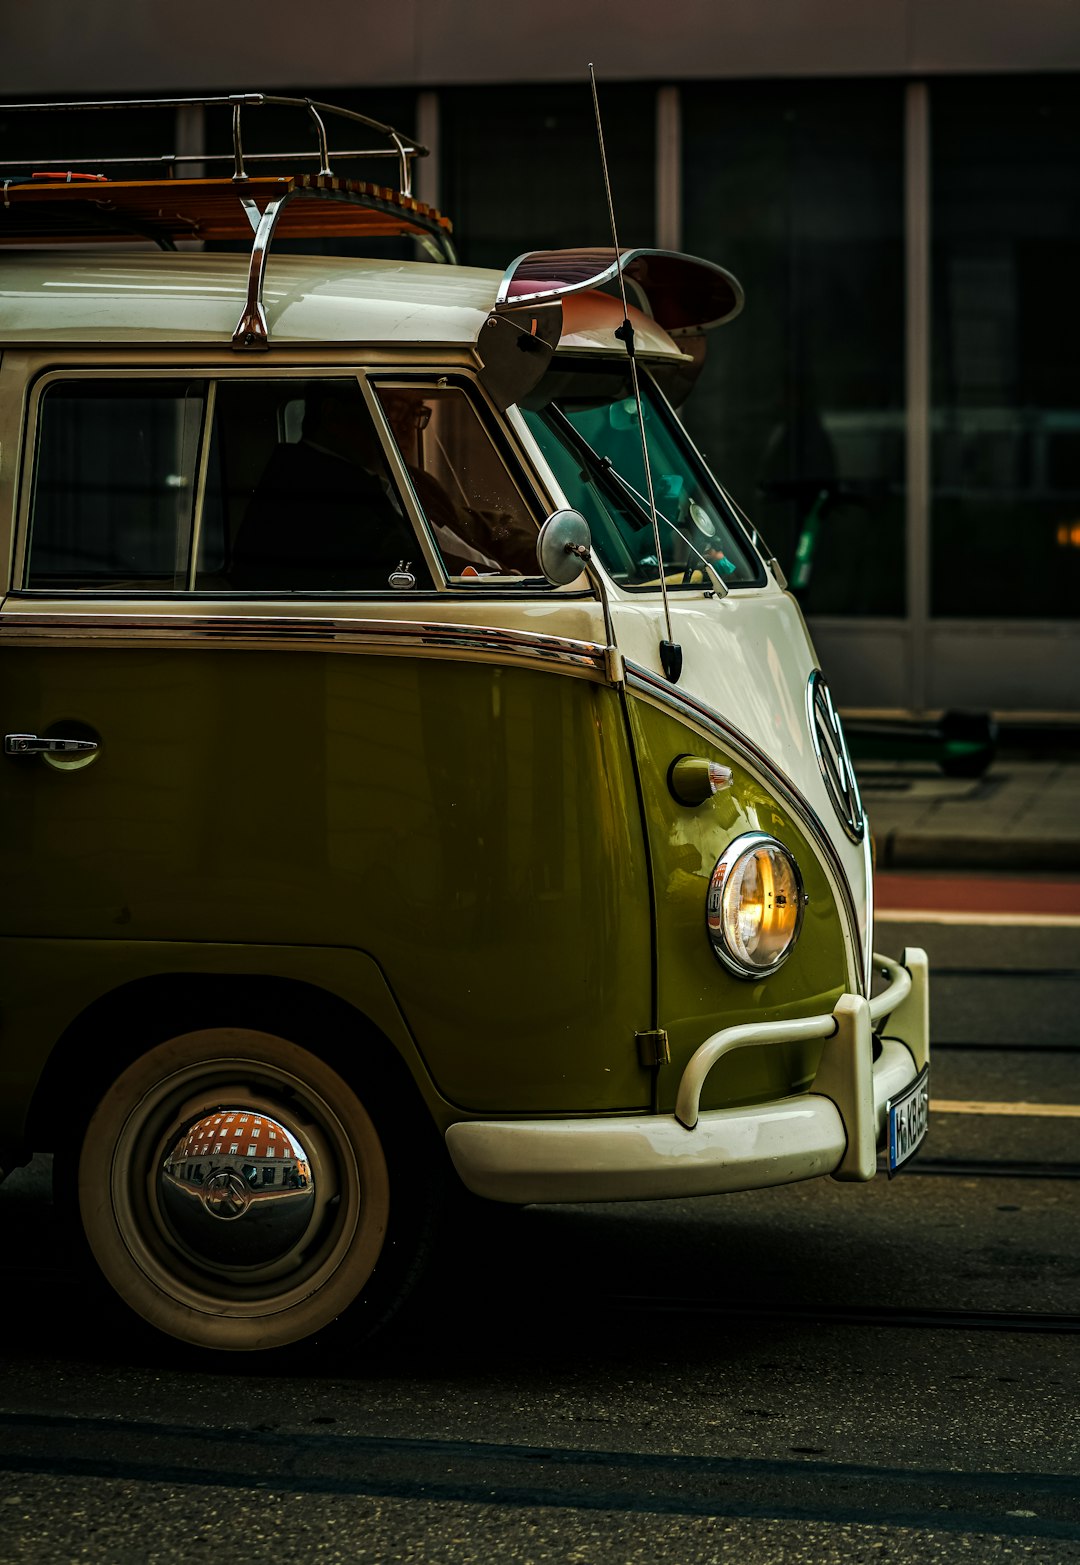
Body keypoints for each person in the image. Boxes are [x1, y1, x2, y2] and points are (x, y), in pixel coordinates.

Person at [231, 389, 431, 591]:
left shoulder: (350, 477)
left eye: (414, 413)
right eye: (393, 410)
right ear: (331, 413)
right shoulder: (309, 485)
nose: (407, 428)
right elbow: (408, 567)